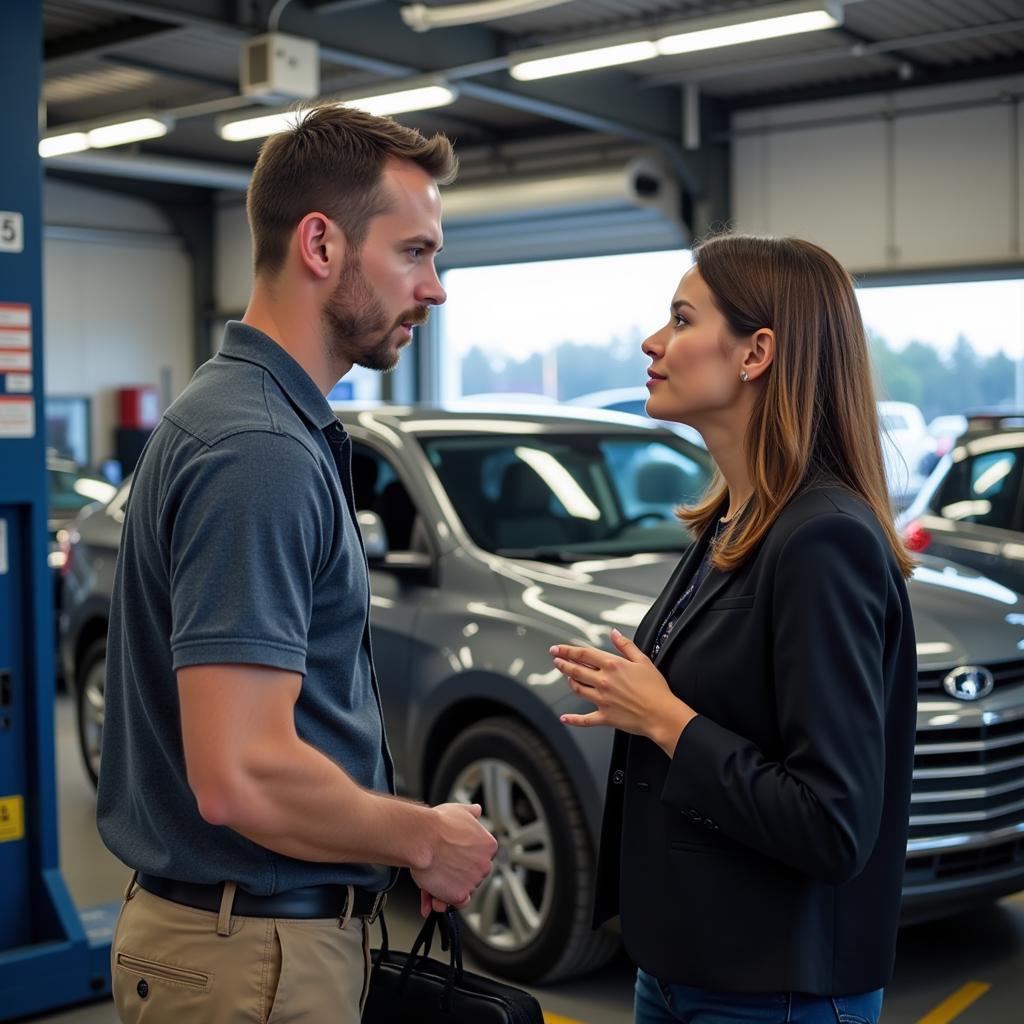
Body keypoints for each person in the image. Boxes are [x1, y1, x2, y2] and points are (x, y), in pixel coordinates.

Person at [98, 105, 497, 1024]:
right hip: (252, 961)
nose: (434, 288)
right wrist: (420, 837)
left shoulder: (259, 418)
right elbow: (239, 772)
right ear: (321, 243)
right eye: (414, 252)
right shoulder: (258, 448)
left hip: (251, 944)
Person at [550, 234, 917, 1024]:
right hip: (684, 967)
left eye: (681, 319)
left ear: (756, 353)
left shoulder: (824, 540)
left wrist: (666, 720)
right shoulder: (733, 521)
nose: (652, 343)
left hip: (776, 990)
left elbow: (834, 822)